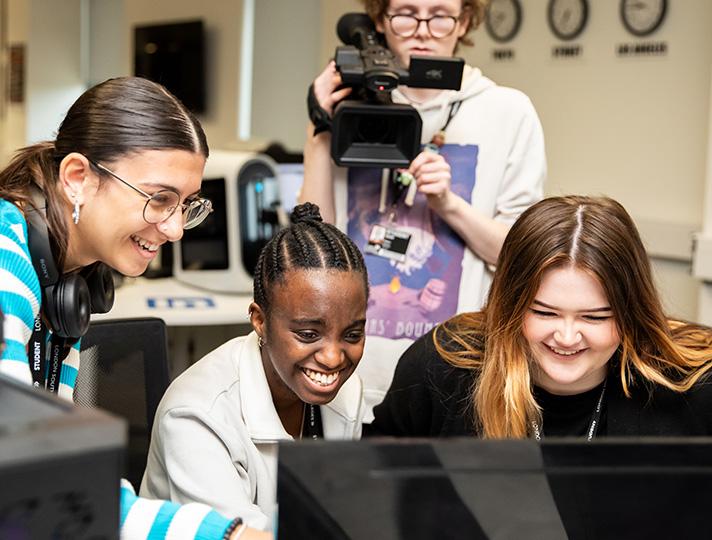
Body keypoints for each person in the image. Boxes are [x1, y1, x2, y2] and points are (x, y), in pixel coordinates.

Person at [0, 77, 268, 539]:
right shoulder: (7, 263)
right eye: (160, 199)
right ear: (78, 178)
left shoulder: (65, 289)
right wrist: (223, 535)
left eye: (187, 204)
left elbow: (61, 470)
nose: (176, 228)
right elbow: (31, 476)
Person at [300, 0, 547, 421]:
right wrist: (321, 128)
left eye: (440, 15)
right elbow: (312, 242)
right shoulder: (353, 101)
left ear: (464, 19)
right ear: (378, 20)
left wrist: (449, 204)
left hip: (458, 369)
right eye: (405, 13)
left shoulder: (508, 112)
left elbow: (521, 256)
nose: (422, 30)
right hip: (348, 366)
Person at [367, 195, 712, 439]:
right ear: (509, 305)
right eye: (544, 312)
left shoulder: (694, 386)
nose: (566, 336)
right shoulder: (442, 365)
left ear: (632, 314)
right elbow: (376, 480)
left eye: (594, 318)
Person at [140, 202, 369, 533]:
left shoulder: (346, 393)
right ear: (260, 321)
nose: (333, 358)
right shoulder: (197, 414)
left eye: (352, 334)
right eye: (308, 334)